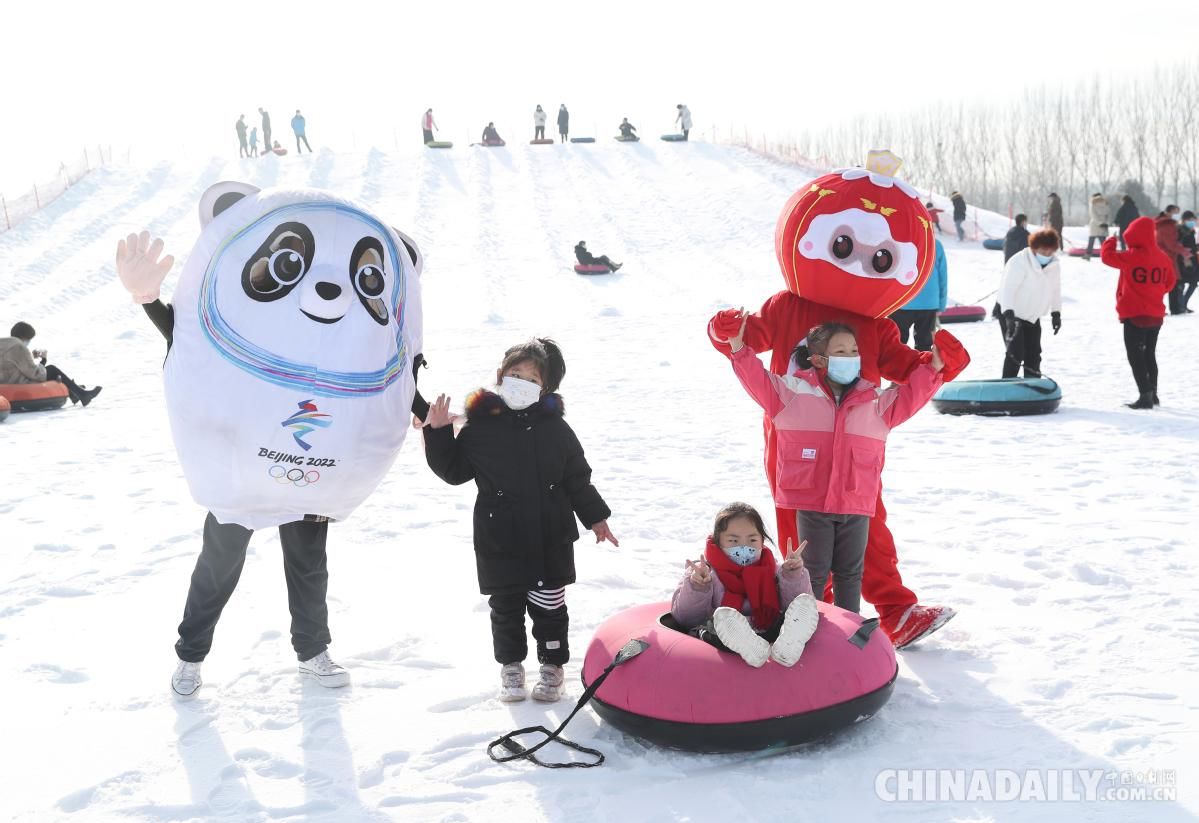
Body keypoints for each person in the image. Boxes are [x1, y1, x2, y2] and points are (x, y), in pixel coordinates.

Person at [114, 232, 356, 698]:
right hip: (239, 464)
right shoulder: (248, 317)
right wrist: (149, 300)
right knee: (219, 563)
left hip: (304, 461)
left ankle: (312, 653)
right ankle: (190, 656)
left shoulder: (327, 328)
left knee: (308, 563)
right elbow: (188, 339)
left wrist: (420, 409)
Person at [421, 338, 618, 702]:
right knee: (506, 606)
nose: (521, 383)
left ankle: (553, 665)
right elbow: (454, 471)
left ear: (543, 387)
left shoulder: (556, 429)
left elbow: (577, 478)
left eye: (531, 379)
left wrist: (596, 518)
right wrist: (437, 433)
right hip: (500, 535)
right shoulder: (480, 428)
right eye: (515, 374)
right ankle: (511, 667)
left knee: (549, 605)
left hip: (550, 535)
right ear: (500, 376)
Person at [720, 316, 945, 615]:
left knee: (850, 575)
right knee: (812, 573)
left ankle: (847, 632)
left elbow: (910, 396)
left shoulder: (873, 402)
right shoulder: (793, 393)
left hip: (856, 503)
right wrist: (738, 346)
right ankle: (809, 629)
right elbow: (756, 379)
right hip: (813, 504)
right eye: (841, 352)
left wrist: (935, 368)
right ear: (818, 358)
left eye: (854, 351)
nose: (851, 358)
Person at [670, 502, 818, 668]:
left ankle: (788, 645)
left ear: (762, 541)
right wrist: (698, 587)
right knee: (714, 627)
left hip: (766, 632)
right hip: (723, 635)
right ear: (718, 542)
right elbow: (685, 618)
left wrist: (792, 576)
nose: (743, 547)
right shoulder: (705, 573)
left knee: (791, 618)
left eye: (752, 539)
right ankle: (745, 642)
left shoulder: (773, 571)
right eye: (733, 540)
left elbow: (791, 604)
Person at [1100, 216, 1176, 409]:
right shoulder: (1162, 257)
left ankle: (1145, 395)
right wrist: (1155, 291)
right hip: (1156, 315)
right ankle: (1154, 393)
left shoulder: (1130, 256)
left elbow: (1106, 257)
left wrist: (1110, 240)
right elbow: (1170, 282)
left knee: (1136, 356)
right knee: (1150, 354)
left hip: (1134, 315)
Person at [997, 229, 1062, 378]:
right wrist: (1008, 315)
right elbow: (1008, 288)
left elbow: (1055, 289)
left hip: (1032, 315)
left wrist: (1056, 313)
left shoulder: (1054, 265)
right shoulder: (1019, 261)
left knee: (1034, 353)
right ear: (1034, 248)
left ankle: (1032, 388)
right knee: (1016, 353)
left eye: (1050, 252)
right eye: (1043, 251)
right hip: (1012, 313)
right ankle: (1007, 386)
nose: (1046, 255)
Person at [0, 322, 102, 406]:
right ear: (24, 337)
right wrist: (43, 361)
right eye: (29, 339)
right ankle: (82, 394)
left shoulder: (5, 345)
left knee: (49, 371)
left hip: (5, 381)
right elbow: (37, 375)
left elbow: (12, 364)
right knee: (51, 370)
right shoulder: (19, 347)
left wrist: (30, 356)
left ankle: (74, 394)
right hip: (17, 383)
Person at [890, 237, 947, 351]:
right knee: (925, 345)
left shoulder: (896, 241)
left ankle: (897, 368)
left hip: (900, 300)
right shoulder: (935, 244)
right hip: (929, 302)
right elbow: (942, 275)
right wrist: (941, 303)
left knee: (895, 344)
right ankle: (923, 368)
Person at [1177, 211, 1198, 312]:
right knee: (1182, 283)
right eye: (1190, 220)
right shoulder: (1181, 231)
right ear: (1185, 220)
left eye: (1193, 220)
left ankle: (1184, 304)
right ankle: (1181, 305)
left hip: (1191, 259)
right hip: (1184, 260)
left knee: (1193, 283)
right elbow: (1180, 245)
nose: (1193, 222)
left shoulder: (1190, 230)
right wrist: (1186, 257)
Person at [1085, 192, 1111, 260]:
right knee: (1103, 242)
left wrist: (1099, 223)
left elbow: (1093, 215)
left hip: (1095, 225)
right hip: (1104, 225)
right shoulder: (1106, 203)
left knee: (1091, 240)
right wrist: (1106, 223)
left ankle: (1088, 254)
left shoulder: (1092, 203)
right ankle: (1106, 256)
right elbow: (1108, 215)